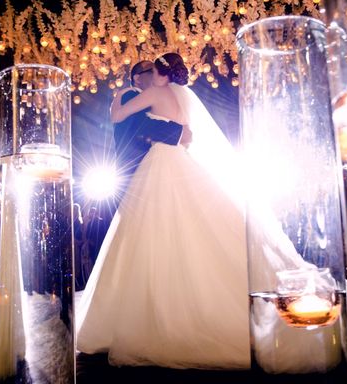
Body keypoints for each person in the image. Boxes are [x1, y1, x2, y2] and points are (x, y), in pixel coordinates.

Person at [76, 53, 321, 371]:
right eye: (141, 73)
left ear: (158, 74)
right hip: (181, 160)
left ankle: (162, 317)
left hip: (161, 163)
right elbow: (183, 133)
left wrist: (116, 101)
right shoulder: (182, 94)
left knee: (156, 231)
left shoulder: (148, 94)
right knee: (195, 225)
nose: (146, 76)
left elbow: (119, 118)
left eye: (151, 70)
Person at [112, 60, 183, 200]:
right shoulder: (130, 95)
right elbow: (141, 127)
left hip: (149, 170)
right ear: (137, 78)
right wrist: (177, 129)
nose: (158, 75)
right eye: (152, 71)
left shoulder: (152, 98)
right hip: (135, 171)